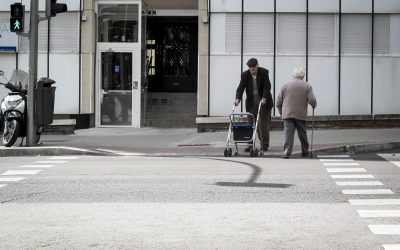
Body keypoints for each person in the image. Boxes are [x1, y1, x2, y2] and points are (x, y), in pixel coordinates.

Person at [276, 67, 317, 159]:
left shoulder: (285, 85)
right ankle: (305, 151)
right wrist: (314, 105)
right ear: (303, 75)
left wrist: (282, 112)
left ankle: (287, 152)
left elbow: (278, 102)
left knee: (288, 134)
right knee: (302, 133)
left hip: (287, 114)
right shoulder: (307, 86)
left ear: (293, 75)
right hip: (300, 114)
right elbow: (312, 100)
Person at [234, 58, 273, 153]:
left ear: (257, 65)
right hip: (251, 104)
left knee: (262, 126)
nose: (252, 69)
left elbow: (267, 87)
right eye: (250, 67)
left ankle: (264, 145)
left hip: (263, 104)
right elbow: (241, 87)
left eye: (254, 66)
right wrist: (237, 98)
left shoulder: (264, 72)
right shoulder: (245, 75)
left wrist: (264, 98)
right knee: (250, 125)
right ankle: (250, 144)